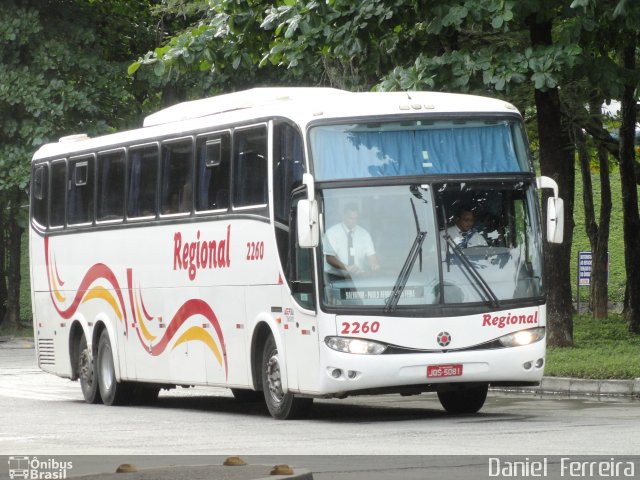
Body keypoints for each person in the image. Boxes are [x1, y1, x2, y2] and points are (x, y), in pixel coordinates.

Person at [323, 203, 379, 278]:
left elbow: (371, 255)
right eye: (350, 218)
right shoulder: (331, 233)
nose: (353, 221)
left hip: (357, 276)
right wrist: (347, 268)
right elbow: (329, 258)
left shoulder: (364, 234)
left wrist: (374, 265)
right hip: (335, 277)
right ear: (343, 216)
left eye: (355, 218)